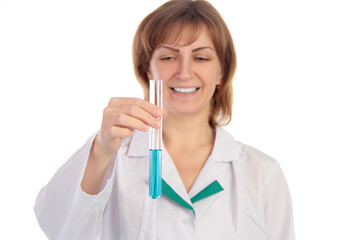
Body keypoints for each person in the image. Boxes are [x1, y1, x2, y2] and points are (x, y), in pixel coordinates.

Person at [34, 0, 295, 239]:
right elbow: (57, 226)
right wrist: (101, 149)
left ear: (221, 71)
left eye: (201, 57)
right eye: (168, 57)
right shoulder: (113, 160)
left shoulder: (262, 173)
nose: (184, 72)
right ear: (148, 68)